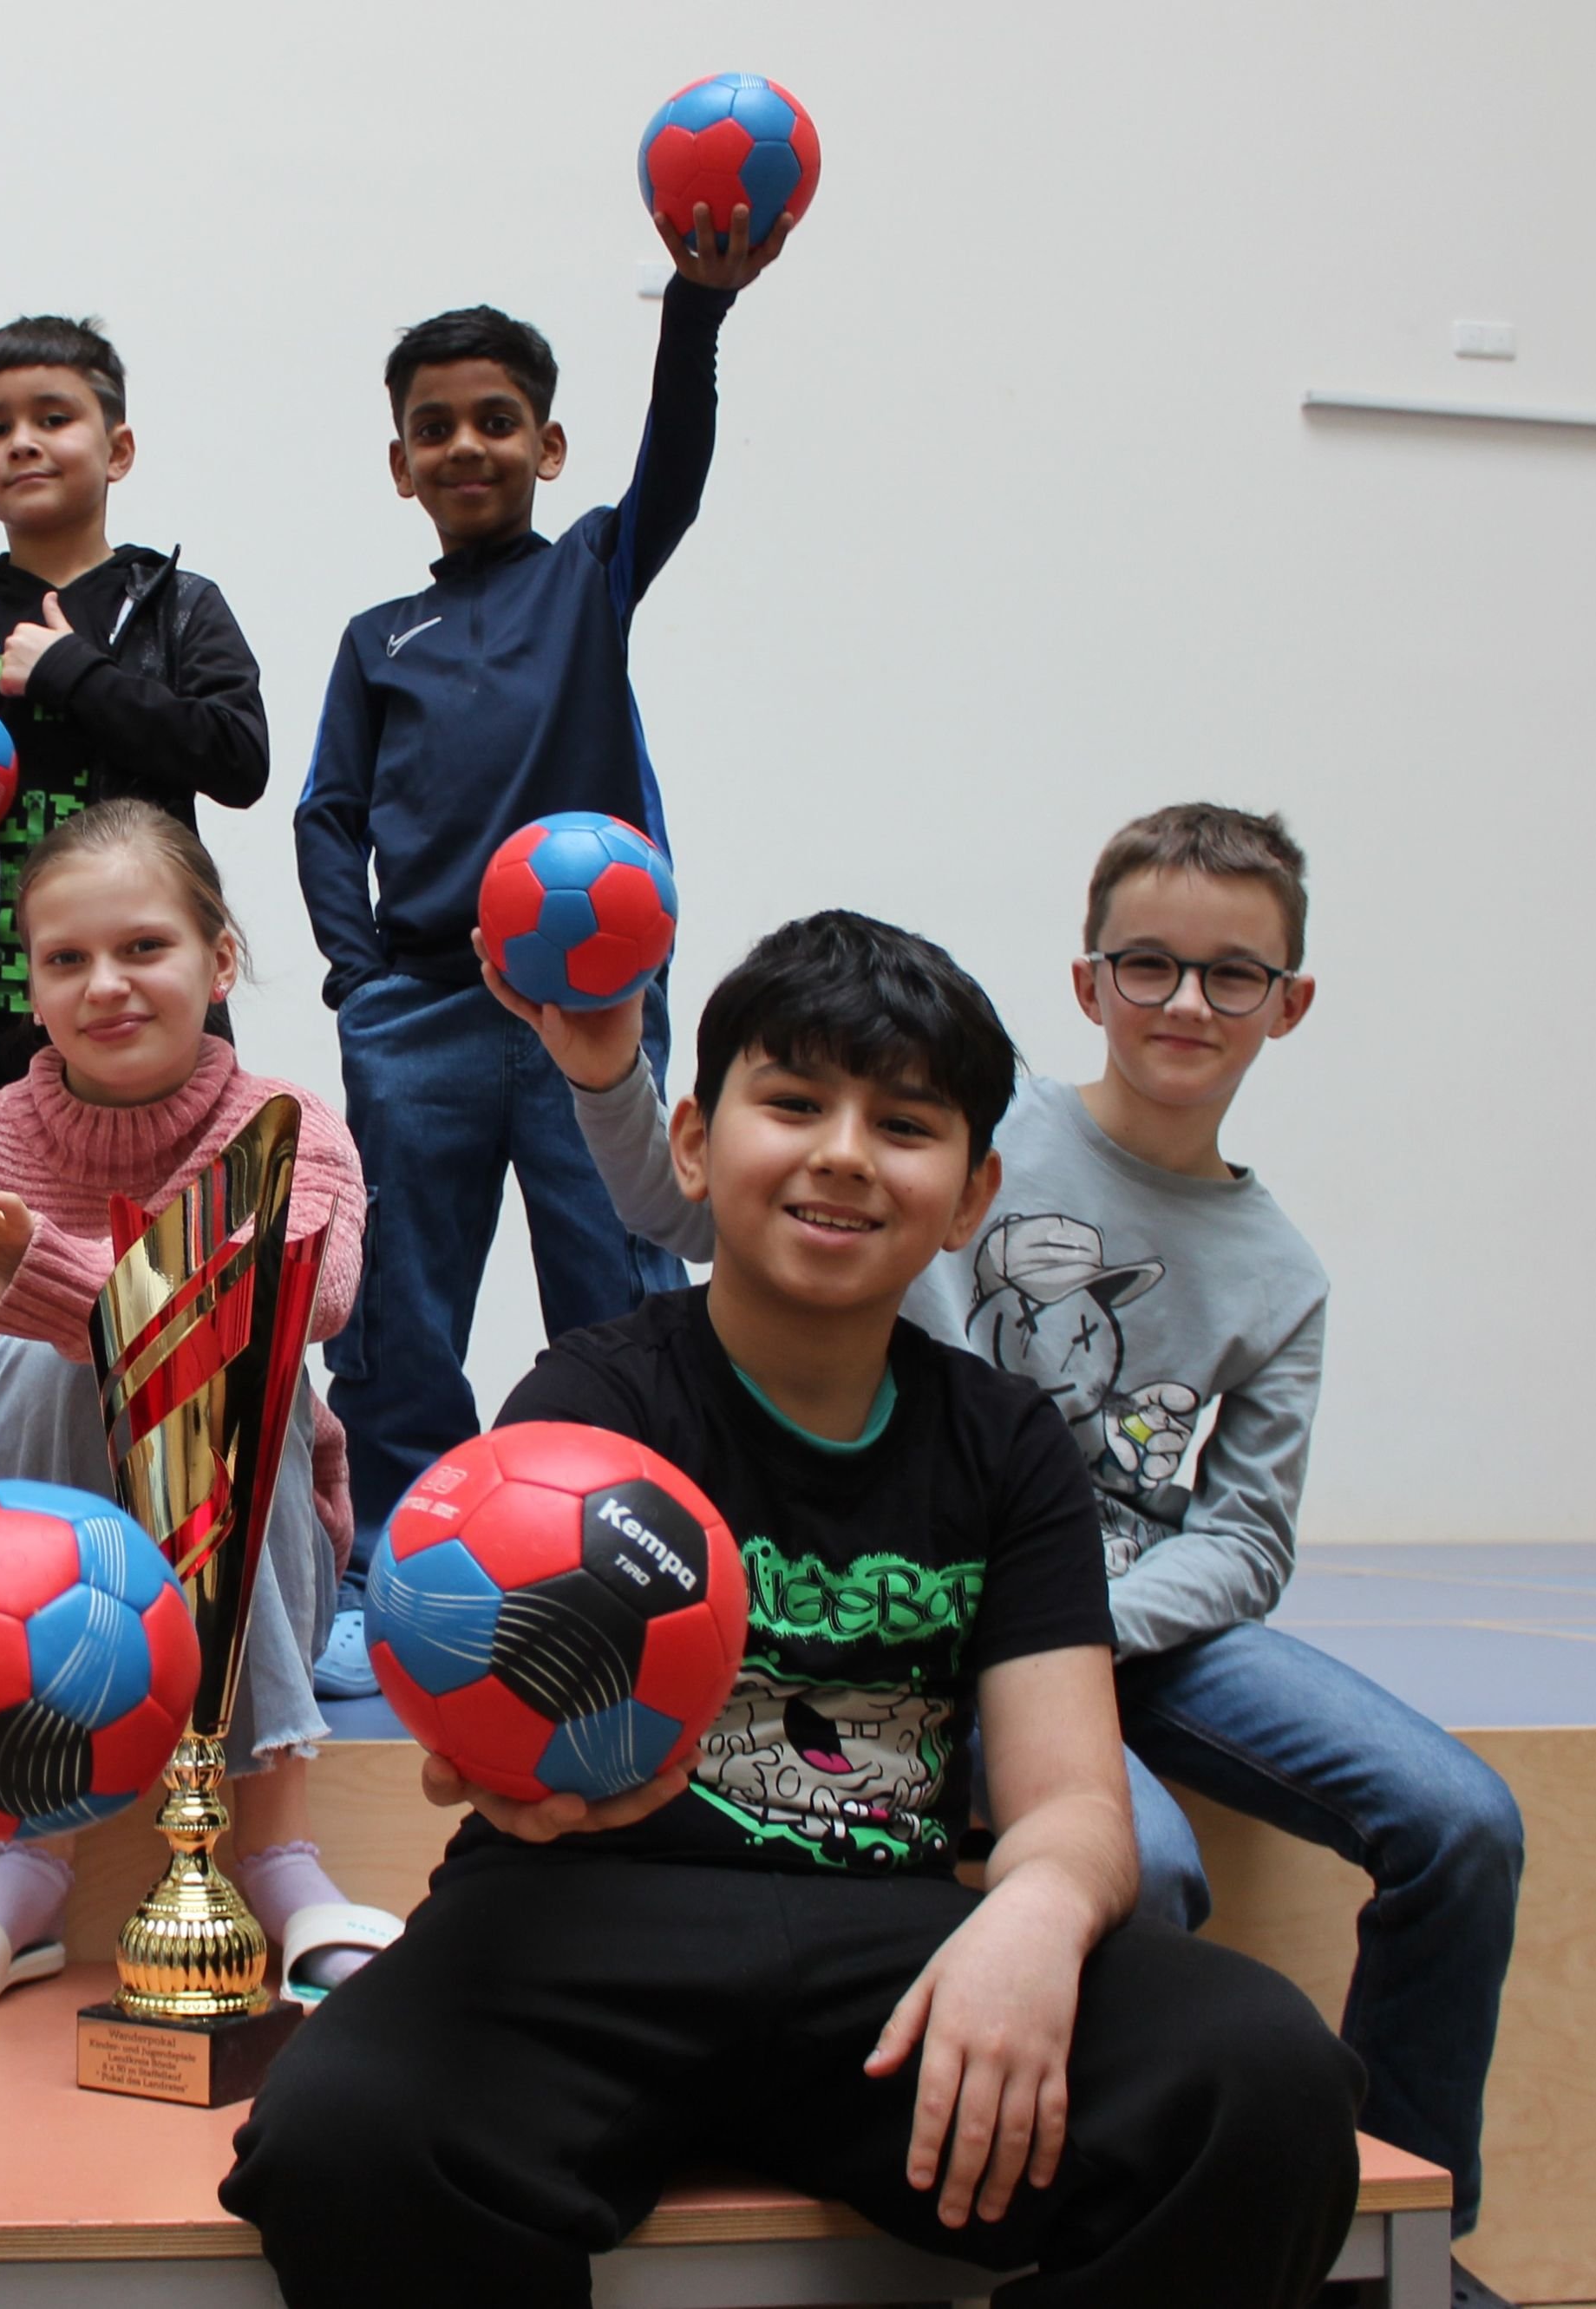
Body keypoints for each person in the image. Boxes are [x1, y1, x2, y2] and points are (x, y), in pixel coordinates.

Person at [226, 911, 1365, 2308]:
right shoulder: (596, 1399)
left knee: (1266, 2084)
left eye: (903, 1123)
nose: (840, 1152)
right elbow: (486, 1715)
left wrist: (1040, 1914)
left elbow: (1071, 1795)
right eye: (794, 1102)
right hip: (584, 1921)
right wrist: (505, 1771)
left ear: (970, 1195)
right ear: (697, 1143)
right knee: (341, 2133)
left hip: (891, 1947)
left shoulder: (1007, 1445)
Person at [533, 806, 1521, 2304]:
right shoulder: (952, 1122)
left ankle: (1406, 2255)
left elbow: (1248, 1535)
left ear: (1289, 1003)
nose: (1186, 1001)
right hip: (980, 1602)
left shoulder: (1283, 1273)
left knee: (1465, 1820)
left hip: (1133, 1616)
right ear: (1088, 980)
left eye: (1232, 974)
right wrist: (608, 1073)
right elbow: (695, 1205)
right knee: (1156, 1869)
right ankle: (1065, 2183)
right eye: (1149, 964)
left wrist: (1063, 1618)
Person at [292, 200, 791, 1688]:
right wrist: (360, 973)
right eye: (434, 428)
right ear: (400, 464)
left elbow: (679, 476)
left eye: (497, 422)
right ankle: (396, 1570)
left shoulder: (588, 576)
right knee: (403, 1315)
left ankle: (626, 1557)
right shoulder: (382, 640)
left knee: (618, 1294)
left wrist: (696, 313)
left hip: (590, 1022)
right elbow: (326, 814)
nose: (466, 448)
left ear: (548, 448)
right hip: (423, 1019)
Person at [0, 801, 390, 2014]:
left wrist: (31, 1270)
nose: (107, 985)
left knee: (255, 1349)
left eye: (146, 947)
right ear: (27, 986)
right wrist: (0, 1328)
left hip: (249, 1551)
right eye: (66, 958)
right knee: (46, 1360)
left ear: (221, 960)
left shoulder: (290, 1131)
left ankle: (278, 1847)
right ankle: (30, 1857)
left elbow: (274, 1320)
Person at [0, 314, 271, 1130]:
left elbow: (240, 760)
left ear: (119, 450)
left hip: (145, 1020)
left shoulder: (178, 607)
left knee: (161, 1250)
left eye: (53, 419)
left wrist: (78, 675)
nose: (23, 443)